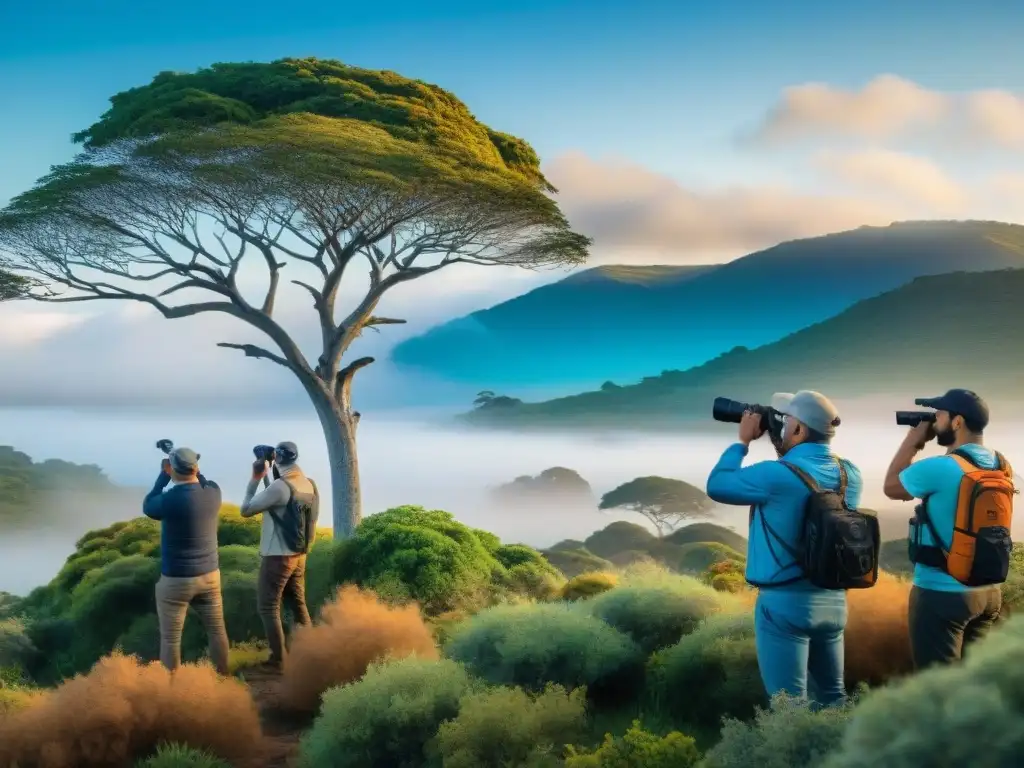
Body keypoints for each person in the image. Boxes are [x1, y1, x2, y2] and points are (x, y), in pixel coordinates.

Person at [706, 390, 862, 709]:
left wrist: (743, 441)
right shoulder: (851, 474)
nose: (779, 426)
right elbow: (804, 479)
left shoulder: (774, 475)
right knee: (833, 698)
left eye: (785, 422)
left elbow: (717, 484)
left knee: (788, 708)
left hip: (784, 605)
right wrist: (781, 438)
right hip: (833, 604)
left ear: (799, 430)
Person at [883, 388, 1011, 670]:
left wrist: (914, 441)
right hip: (988, 592)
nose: (934, 420)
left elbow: (891, 486)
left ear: (957, 422)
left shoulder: (941, 467)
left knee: (937, 689)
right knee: (971, 683)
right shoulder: (1001, 464)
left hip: (942, 593)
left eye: (939, 414)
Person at [142, 446, 230, 675]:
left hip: (176, 580)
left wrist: (163, 477)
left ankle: (173, 693)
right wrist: (194, 471)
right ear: (196, 467)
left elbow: (148, 504)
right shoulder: (214, 494)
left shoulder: (168, 500)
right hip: (210, 576)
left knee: (171, 640)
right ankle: (223, 681)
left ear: (172, 470)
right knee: (217, 630)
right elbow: (204, 481)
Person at [239, 441, 318, 670]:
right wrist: (270, 472)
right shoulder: (307, 483)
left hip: (278, 557)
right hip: (299, 555)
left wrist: (255, 478)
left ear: (279, 458)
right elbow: (277, 499)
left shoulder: (280, 487)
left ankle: (278, 661)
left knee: (268, 606)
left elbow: (246, 510)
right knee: (297, 603)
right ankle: (313, 652)